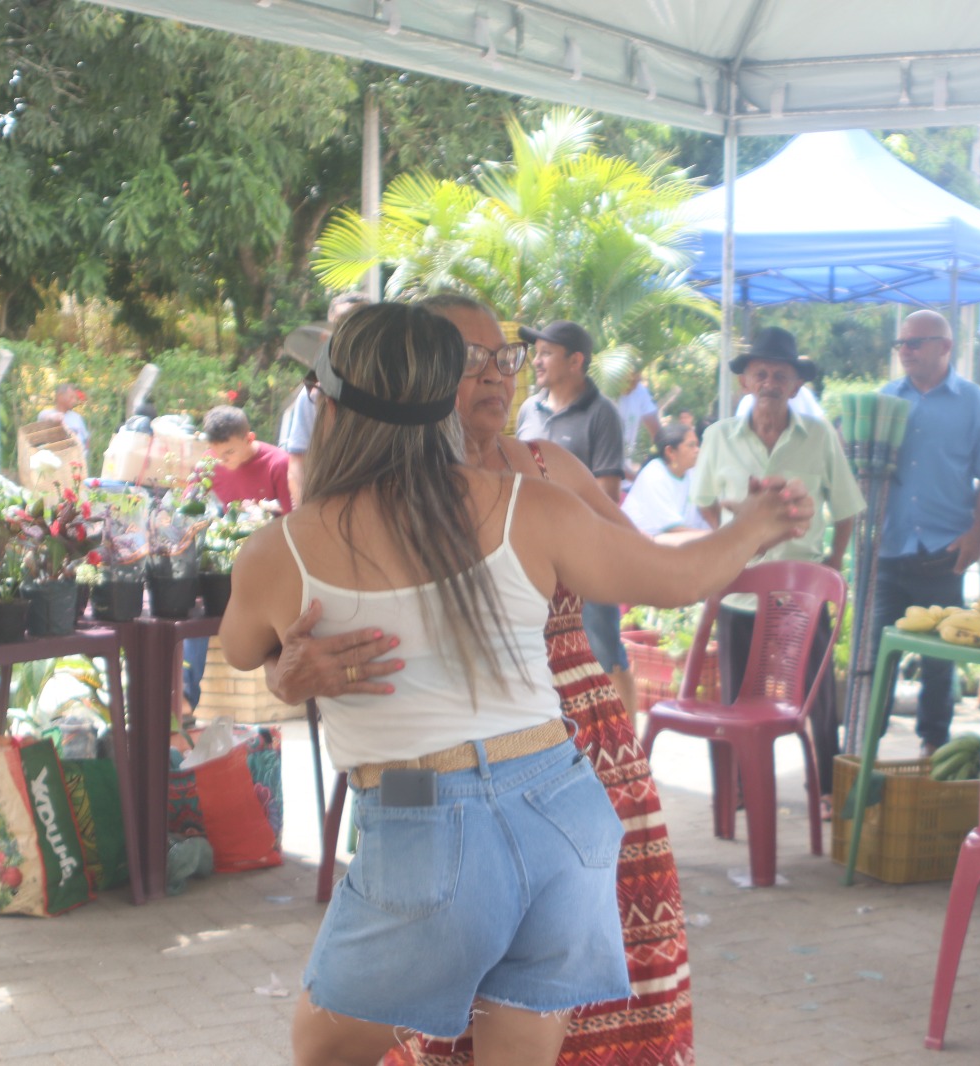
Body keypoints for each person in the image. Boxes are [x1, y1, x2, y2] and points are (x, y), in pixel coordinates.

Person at [219, 302, 812, 1066]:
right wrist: (757, 522)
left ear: (327, 408)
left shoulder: (280, 553)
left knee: (322, 1050)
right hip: (563, 804)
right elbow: (675, 578)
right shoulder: (527, 505)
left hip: (423, 810)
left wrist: (287, 670)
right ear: (443, 401)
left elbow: (243, 651)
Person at [693, 325, 865, 790]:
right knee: (736, 695)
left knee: (817, 695)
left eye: (780, 376)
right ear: (745, 382)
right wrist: (729, 540)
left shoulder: (819, 437)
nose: (769, 383)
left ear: (796, 385)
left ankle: (825, 787)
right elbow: (705, 500)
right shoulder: (718, 437)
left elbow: (846, 507)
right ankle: (742, 789)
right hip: (738, 589)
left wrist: (834, 562)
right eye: (761, 374)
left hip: (800, 593)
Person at [871, 309, 980, 755]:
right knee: (875, 656)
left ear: (945, 346)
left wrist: (977, 534)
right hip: (889, 548)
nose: (905, 351)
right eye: (901, 344)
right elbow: (863, 471)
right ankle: (862, 748)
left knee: (939, 660)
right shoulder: (884, 400)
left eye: (915, 343)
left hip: (945, 549)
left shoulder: (974, 402)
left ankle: (933, 748)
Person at [515, 320, 633, 709]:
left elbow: (607, 494)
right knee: (545, 657)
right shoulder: (528, 410)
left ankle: (631, 743)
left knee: (604, 653)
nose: (536, 361)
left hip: (589, 555)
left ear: (575, 361)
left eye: (547, 353)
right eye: (536, 353)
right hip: (535, 557)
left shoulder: (602, 414)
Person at [181, 405, 294, 714]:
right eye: (216, 453)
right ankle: (185, 698)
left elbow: (295, 522)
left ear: (249, 439)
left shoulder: (278, 463)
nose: (223, 460)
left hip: (269, 570)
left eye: (229, 452)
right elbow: (187, 509)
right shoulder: (209, 466)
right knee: (191, 608)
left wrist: (265, 513)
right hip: (223, 566)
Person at [282, 291, 370, 506]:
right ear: (326, 336)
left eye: (361, 323)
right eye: (341, 324)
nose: (351, 332)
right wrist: (306, 515)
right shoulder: (313, 394)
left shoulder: (400, 390)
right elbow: (297, 463)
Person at [621, 422, 710, 537]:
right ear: (670, 452)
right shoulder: (654, 475)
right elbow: (673, 530)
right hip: (638, 543)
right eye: (691, 445)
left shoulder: (692, 473)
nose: (697, 450)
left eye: (697, 445)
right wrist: (718, 537)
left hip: (673, 542)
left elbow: (707, 511)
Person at [615, 371, 662, 473]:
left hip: (624, 473)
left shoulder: (639, 391)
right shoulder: (600, 392)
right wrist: (633, 477)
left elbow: (658, 436)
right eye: (630, 379)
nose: (635, 380)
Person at [39, 383, 90, 452]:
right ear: (60, 396)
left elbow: (86, 439)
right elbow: (46, 417)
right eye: (71, 397)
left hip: (77, 456)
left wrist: (85, 453)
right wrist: (54, 418)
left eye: (75, 398)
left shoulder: (77, 417)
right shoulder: (46, 413)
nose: (74, 401)